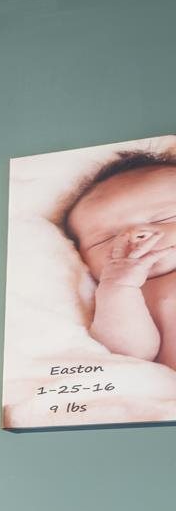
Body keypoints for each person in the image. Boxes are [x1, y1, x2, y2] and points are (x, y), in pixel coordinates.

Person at [64, 150, 176, 365]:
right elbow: (129, 354)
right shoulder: (133, 296)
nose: (135, 236)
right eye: (106, 239)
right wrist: (119, 287)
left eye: (164, 218)